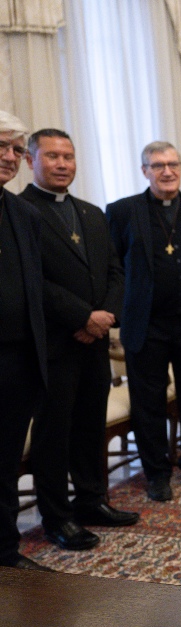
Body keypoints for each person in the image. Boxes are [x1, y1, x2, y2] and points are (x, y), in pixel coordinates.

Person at [21, 129, 138, 550]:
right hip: (54, 343)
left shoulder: (90, 212)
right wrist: (82, 316)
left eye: (68, 155)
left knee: (90, 424)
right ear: (32, 160)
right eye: (52, 156)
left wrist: (104, 317)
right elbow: (31, 280)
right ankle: (57, 517)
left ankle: (92, 500)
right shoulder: (20, 211)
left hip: (94, 342)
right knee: (55, 434)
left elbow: (115, 271)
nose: (62, 163)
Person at [107, 141, 181, 502]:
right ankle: (156, 472)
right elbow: (114, 267)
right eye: (157, 165)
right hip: (146, 326)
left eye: (173, 163)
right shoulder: (122, 211)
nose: (167, 171)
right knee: (149, 401)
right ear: (145, 171)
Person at [0, 111, 50, 572]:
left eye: (16, 149)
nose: (10, 157)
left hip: (17, 363)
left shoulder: (24, 213)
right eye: (2, 146)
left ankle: (6, 551)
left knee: (7, 463)